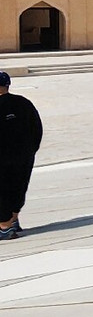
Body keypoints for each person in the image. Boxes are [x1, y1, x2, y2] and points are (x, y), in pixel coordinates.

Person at [0, 71, 42, 240]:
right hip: (23, 156)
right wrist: (31, 150)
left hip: (2, 159)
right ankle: (14, 218)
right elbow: (37, 129)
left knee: (2, 191)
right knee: (18, 187)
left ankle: (4, 227)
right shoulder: (23, 103)